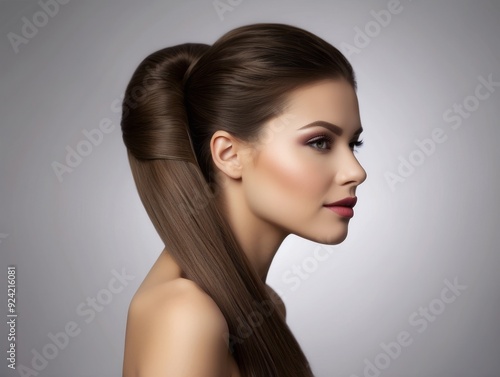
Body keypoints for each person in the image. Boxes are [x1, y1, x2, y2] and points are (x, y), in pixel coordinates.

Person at [120, 22, 367, 377]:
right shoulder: (186, 315)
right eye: (320, 142)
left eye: (353, 144)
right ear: (229, 153)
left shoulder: (261, 306)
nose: (355, 171)